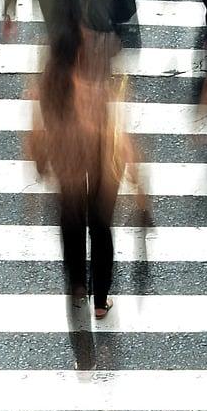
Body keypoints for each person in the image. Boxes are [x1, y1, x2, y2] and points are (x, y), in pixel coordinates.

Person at [25, 32, 146, 370]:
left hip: (68, 171)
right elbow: (114, 134)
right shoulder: (92, 86)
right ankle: (100, 300)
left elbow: (36, 138)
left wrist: (41, 161)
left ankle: (78, 285)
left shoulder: (48, 90)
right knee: (101, 228)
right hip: (100, 170)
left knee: (71, 228)